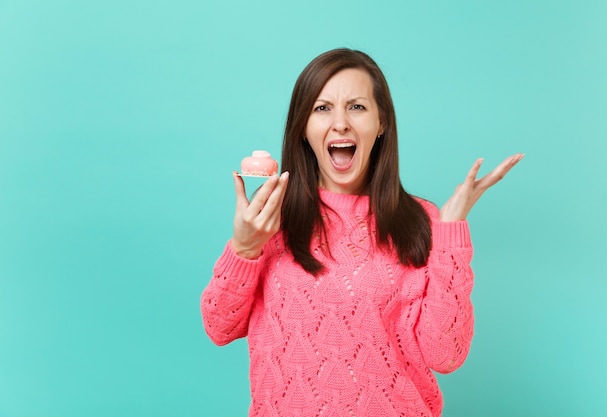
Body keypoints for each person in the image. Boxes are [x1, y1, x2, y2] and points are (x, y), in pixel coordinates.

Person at [200, 48, 523, 416]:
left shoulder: (420, 220)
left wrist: (450, 233)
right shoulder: (271, 216)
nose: (340, 123)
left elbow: (445, 355)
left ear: (381, 122)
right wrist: (244, 248)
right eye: (322, 108)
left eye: (356, 107)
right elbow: (219, 327)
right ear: (303, 127)